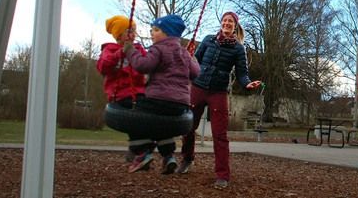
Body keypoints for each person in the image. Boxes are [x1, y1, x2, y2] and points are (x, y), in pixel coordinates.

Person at [178, 11, 261, 189]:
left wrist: (247, 84)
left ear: (235, 26)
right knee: (187, 126)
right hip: (198, 87)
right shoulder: (208, 40)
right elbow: (195, 62)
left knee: (220, 135)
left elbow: (242, 74)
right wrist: (188, 57)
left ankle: (222, 175)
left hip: (218, 92)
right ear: (221, 23)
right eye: (224, 20)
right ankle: (187, 159)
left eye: (230, 21)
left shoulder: (239, 49)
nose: (227, 23)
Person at [124, 14, 200, 174]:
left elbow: (143, 65)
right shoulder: (184, 53)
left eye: (156, 29)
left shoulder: (158, 48)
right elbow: (196, 73)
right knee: (163, 127)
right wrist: (191, 58)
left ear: (168, 33)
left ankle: (142, 153)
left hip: (158, 100)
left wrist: (130, 51)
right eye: (151, 29)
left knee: (133, 118)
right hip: (180, 105)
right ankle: (169, 158)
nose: (152, 32)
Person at [96, 15, 151, 167]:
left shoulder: (139, 50)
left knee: (147, 115)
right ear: (118, 35)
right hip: (120, 94)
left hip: (139, 92)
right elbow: (103, 67)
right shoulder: (110, 49)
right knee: (136, 117)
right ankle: (139, 151)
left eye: (134, 31)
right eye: (129, 31)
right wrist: (120, 53)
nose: (133, 34)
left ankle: (138, 152)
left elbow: (148, 64)